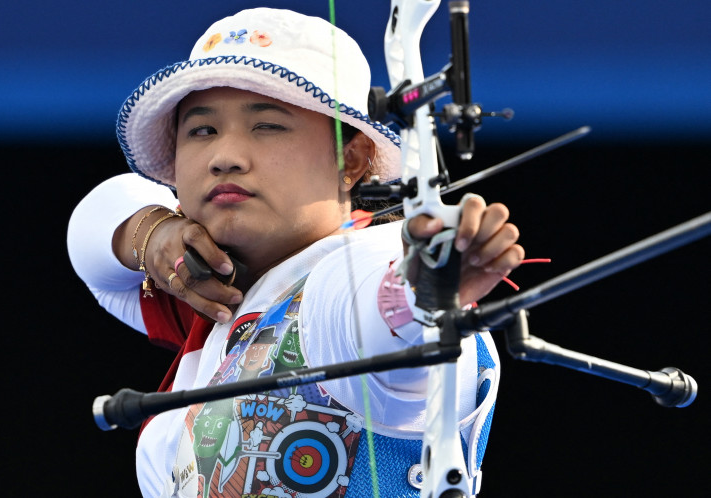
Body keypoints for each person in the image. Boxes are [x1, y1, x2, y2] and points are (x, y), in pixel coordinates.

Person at [67, 7, 524, 497]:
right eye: (202, 130)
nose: (225, 156)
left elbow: (369, 318)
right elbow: (90, 233)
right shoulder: (216, 295)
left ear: (350, 160)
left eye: (267, 125)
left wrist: (419, 291)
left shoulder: (361, 264)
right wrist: (153, 233)